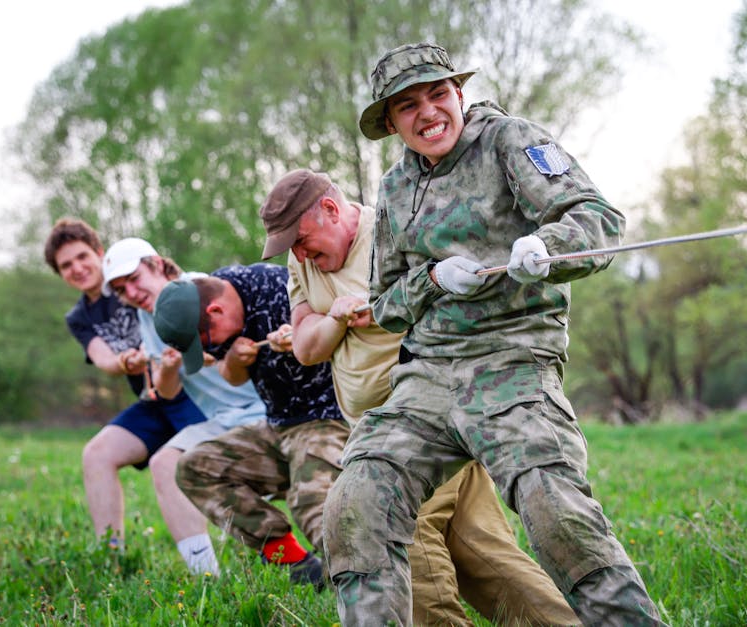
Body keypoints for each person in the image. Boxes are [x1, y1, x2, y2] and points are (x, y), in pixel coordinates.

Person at [322, 43, 665, 625]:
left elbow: (599, 221)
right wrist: (433, 279)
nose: (428, 112)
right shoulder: (397, 188)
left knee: (554, 509)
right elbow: (385, 304)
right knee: (354, 502)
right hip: (426, 376)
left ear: (459, 92)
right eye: (408, 105)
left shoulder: (509, 141)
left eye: (438, 93)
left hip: (512, 363)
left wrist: (547, 248)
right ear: (391, 123)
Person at [259, 168, 579, 625]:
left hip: (422, 421)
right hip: (373, 430)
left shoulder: (396, 232)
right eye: (290, 245)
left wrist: (394, 306)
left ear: (330, 210)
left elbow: (454, 303)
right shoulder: (303, 261)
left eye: (301, 238)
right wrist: (338, 315)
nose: (299, 252)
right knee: (484, 558)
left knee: (399, 532)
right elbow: (307, 348)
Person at [45, 220, 263, 575]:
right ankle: (113, 560)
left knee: (199, 469)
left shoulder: (179, 289)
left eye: (82, 257)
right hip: (161, 396)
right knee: (99, 454)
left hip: (213, 402)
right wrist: (129, 361)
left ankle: (265, 553)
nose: (77, 268)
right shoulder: (86, 314)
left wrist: (210, 351)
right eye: (65, 265)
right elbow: (108, 361)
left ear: (100, 254)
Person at [133, 261, 347, 590]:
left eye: (204, 342)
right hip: (277, 425)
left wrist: (303, 337)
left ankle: (366, 588)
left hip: (326, 418)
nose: (205, 349)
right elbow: (231, 376)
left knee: (313, 507)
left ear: (216, 312)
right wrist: (234, 360)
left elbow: (347, 326)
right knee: (195, 466)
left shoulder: (280, 288)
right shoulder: (205, 308)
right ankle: (297, 565)